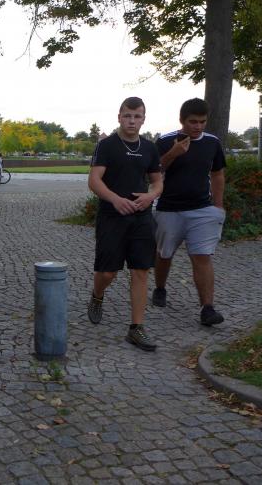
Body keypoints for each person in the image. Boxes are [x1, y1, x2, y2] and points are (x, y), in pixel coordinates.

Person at [87, 97, 163, 351]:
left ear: (143, 119)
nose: (132, 121)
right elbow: (94, 180)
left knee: (140, 270)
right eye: (127, 116)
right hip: (112, 215)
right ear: (119, 117)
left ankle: (136, 328)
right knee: (107, 272)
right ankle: (97, 295)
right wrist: (115, 199)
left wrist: (150, 196)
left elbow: (157, 181)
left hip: (141, 216)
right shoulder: (107, 145)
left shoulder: (149, 148)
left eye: (137, 116)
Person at [152, 98, 227, 326]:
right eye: (193, 122)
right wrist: (173, 153)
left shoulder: (212, 143)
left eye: (202, 122)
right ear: (182, 120)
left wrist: (218, 205)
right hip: (169, 209)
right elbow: (152, 172)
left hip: (202, 209)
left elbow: (217, 174)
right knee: (164, 255)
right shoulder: (165, 141)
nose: (198, 126)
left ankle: (207, 309)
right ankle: (160, 288)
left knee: (202, 257)